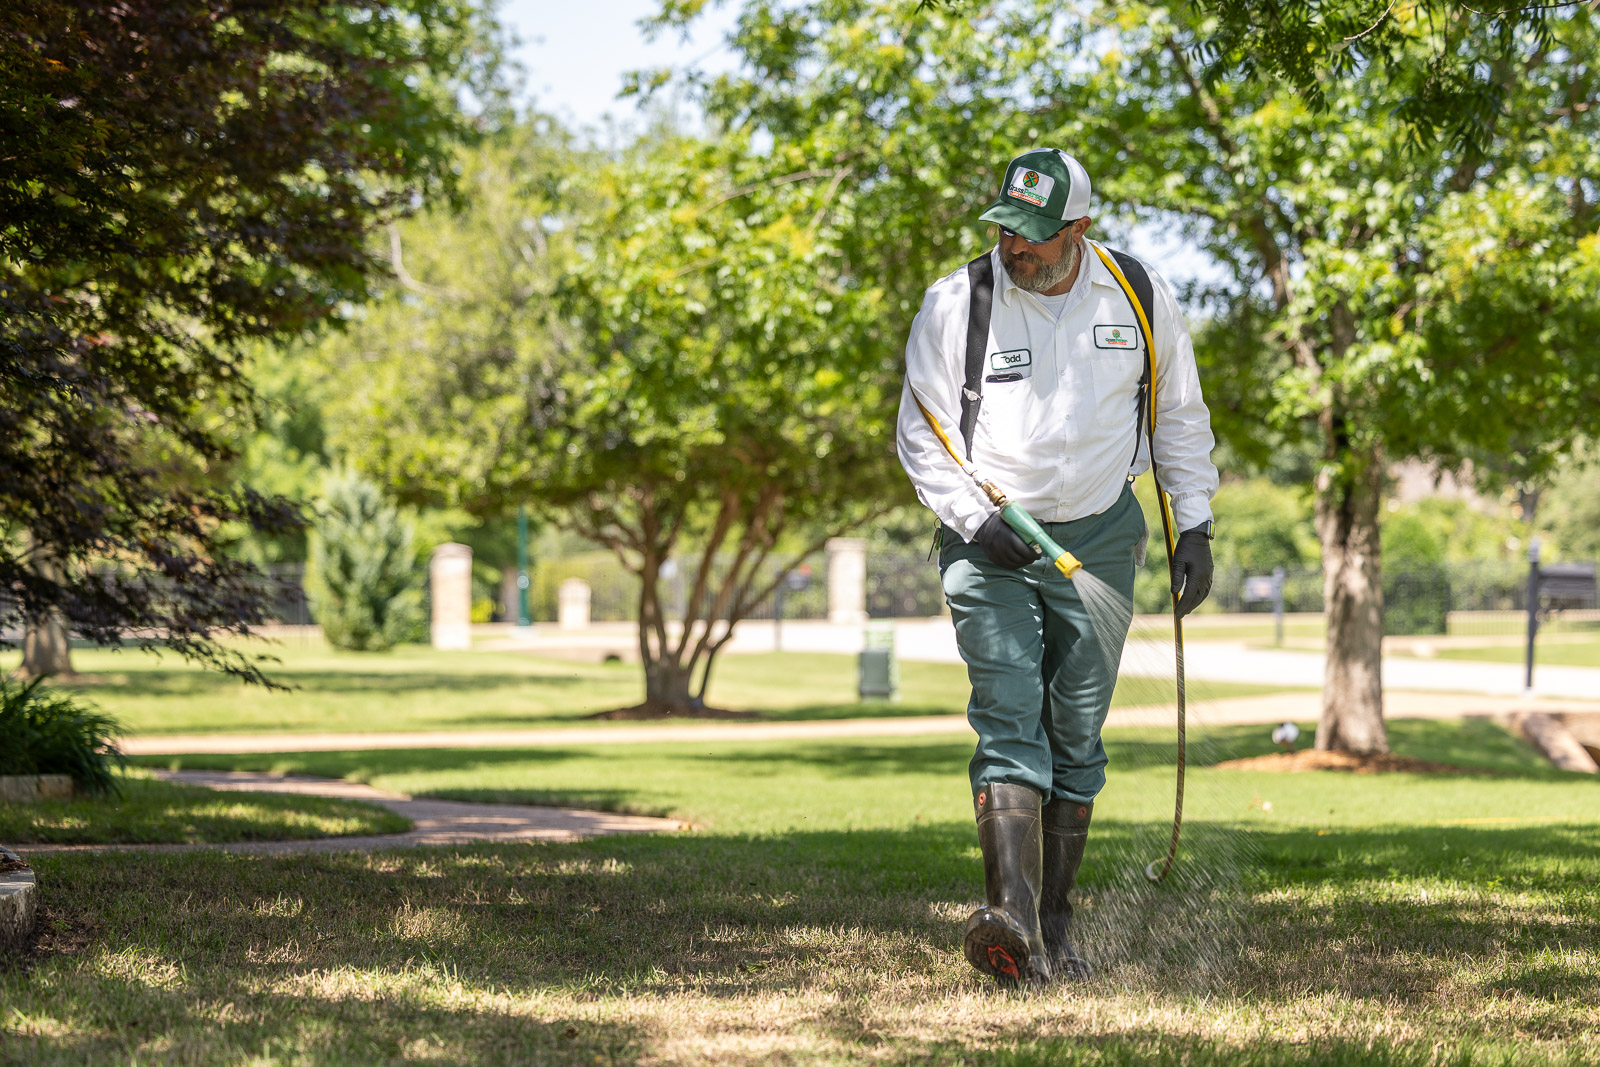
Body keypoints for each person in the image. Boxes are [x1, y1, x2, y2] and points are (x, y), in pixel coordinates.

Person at [896, 148, 1219, 986]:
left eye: (1036, 235)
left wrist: (1196, 524)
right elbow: (921, 430)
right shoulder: (954, 302)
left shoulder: (1142, 295)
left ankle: (1056, 926)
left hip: (1105, 537)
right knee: (1008, 710)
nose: (1017, 247)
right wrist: (977, 519)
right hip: (991, 537)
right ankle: (1006, 918)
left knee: (1076, 731)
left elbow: (1179, 415)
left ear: (1079, 228)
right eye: (1007, 228)